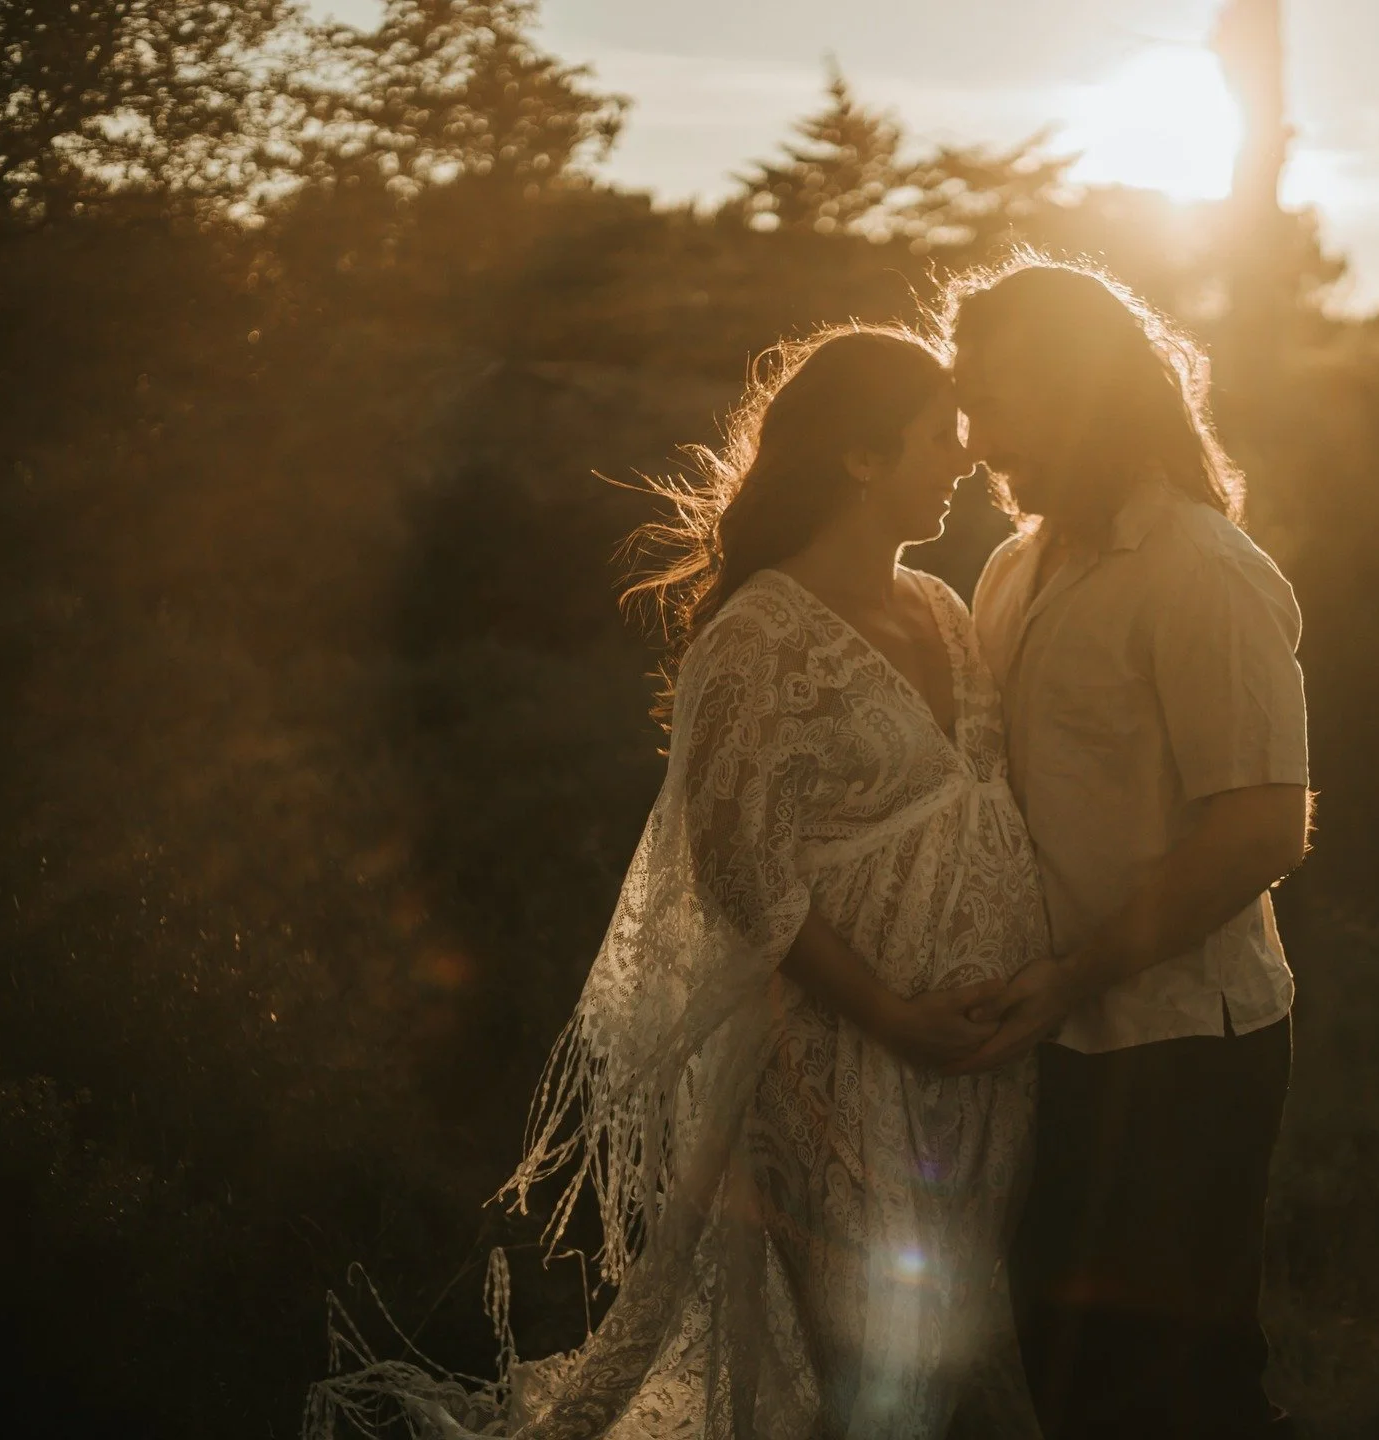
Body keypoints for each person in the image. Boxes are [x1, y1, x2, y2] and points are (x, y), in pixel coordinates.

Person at [309, 326, 1051, 1440]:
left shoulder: (947, 610)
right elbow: (742, 876)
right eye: (935, 437)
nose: (961, 460)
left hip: (982, 1075)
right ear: (857, 455)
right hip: (834, 1071)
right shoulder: (755, 638)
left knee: (961, 1373)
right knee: (873, 1384)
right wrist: (897, 1015)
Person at [945, 261, 1312, 1439]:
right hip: (1050, 1043)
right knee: (1070, 1376)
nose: (978, 437)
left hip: (1179, 1054)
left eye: (1000, 401)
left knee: (1185, 1396)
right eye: (968, 404)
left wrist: (1075, 974)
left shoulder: (1204, 571)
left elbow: (1261, 825)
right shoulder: (1012, 566)